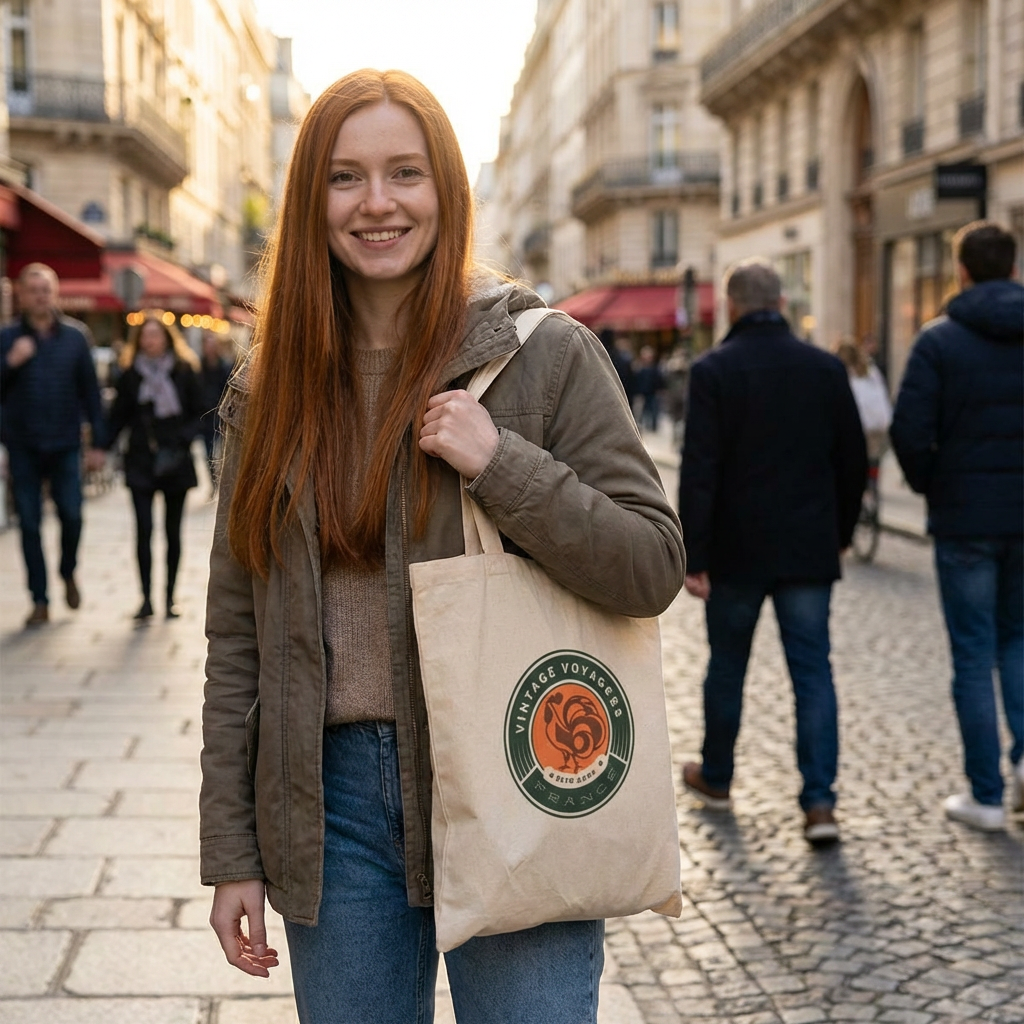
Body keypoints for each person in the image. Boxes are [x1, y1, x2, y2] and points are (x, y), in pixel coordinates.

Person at [199, 69, 684, 1024]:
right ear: (310, 201)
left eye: (405, 173)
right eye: (345, 177)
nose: (376, 203)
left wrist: (502, 465)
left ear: (447, 190)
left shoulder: (544, 354)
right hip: (332, 810)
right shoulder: (269, 390)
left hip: (514, 769)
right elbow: (237, 636)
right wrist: (234, 852)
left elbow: (650, 565)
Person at [677, 258, 866, 845]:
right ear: (782, 303)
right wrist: (842, 531)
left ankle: (717, 775)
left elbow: (699, 470)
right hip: (807, 546)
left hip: (736, 550)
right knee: (812, 672)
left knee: (726, 665)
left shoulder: (713, 370)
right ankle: (820, 803)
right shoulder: (825, 368)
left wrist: (694, 554)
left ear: (732, 307)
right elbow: (853, 459)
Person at [891, 221, 1023, 833]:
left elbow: (909, 432)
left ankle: (987, 795)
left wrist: (934, 486)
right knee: (1018, 642)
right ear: (1013, 267)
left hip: (966, 519)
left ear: (962, 271)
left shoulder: (939, 340)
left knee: (973, 654)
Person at [0, 263, 105, 627]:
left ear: (55, 294)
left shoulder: (76, 337)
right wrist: (10, 363)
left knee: (72, 515)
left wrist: (99, 444)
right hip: (23, 444)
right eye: (34, 290)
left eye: (46, 289)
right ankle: (40, 600)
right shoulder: (7, 338)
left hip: (65, 443)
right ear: (21, 295)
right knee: (29, 524)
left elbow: (91, 394)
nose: (41, 296)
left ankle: (67, 570)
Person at [106, 312, 203, 620]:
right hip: (141, 460)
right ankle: (146, 599)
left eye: (155, 335)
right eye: (145, 336)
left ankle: (170, 597)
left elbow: (201, 412)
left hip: (175, 459)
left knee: (173, 532)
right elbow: (118, 416)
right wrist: (100, 447)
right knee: (144, 530)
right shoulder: (130, 374)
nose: (150, 341)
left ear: (167, 338)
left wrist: (182, 440)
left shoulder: (184, 370)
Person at [834, 337, 892, 464]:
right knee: (873, 460)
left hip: (858, 427)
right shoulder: (871, 371)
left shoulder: (844, 375)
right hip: (876, 424)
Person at [197, 331, 234, 488]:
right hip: (206, 419)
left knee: (224, 453)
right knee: (208, 453)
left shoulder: (226, 366)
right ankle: (213, 483)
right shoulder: (198, 367)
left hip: (223, 417)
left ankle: (222, 482)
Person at [633, 345, 665, 432]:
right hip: (643, 393)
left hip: (653, 392)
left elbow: (659, 381)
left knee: (654, 410)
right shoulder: (639, 369)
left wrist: (660, 390)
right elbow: (636, 381)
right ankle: (643, 426)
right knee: (643, 411)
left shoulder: (655, 369)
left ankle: (653, 426)